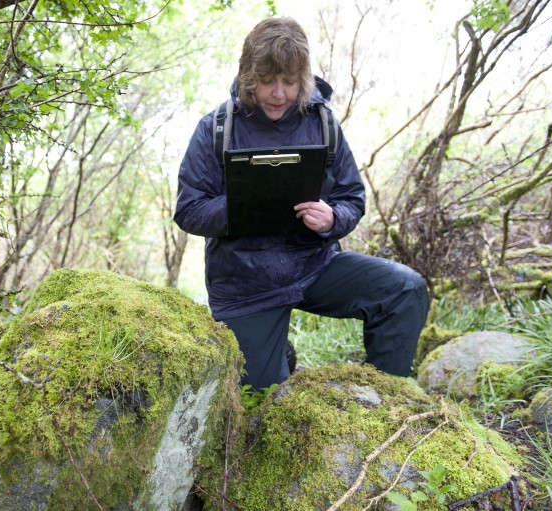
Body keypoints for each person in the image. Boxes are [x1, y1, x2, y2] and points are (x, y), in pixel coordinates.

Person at [174, 16, 429, 390]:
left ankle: (386, 398)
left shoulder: (322, 122)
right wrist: (243, 205)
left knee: (405, 290)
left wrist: (332, 219)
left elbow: (351, 197)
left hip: (314, 264)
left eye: (290, 82)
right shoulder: (216, 128)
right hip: (246, 283)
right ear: (248, 76)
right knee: (260, 398)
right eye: (267, 81)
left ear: (302, 78)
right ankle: (278, 355)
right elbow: (188, 209)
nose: (279, 93)